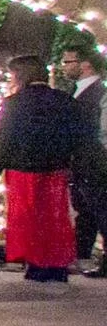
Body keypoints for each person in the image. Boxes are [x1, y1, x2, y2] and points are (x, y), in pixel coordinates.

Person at [0, 54, 87, 283]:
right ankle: (57, 263)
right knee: (56, 217)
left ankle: (35, 263)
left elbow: (5, 137)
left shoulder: (14, 103)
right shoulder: (65, 100)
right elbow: (77, 135)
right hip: (56, 167)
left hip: (23, 167)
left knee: (28, 217)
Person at [60, 43, 107, 274]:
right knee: (87, 210)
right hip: (82, 161)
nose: (63, 67)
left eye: (67, 62)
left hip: (94, 160)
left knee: (100, 208)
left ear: (85, 65)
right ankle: (80, 253)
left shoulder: (97, 93)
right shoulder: (77, 91)